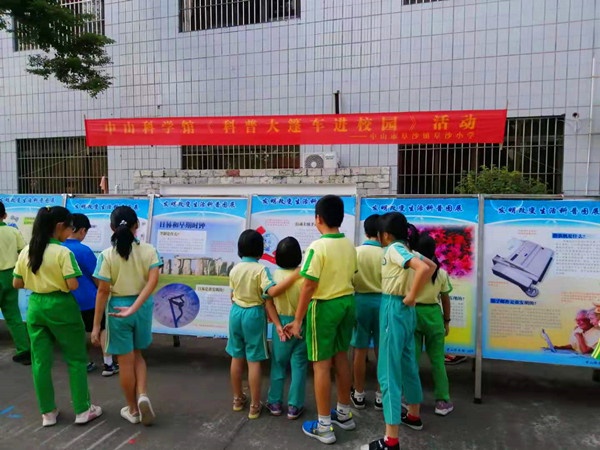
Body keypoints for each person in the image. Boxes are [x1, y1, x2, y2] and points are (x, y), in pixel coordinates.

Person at [12, 206, 102, 427]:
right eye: (69, 228)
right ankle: (82, 409)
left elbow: (17, 283)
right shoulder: (62, 252)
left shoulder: (27, 251)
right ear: (60, 226)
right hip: (61, 305)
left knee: (40, 361)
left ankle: (48, 413)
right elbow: (72, 284)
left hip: (35, 306)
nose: (70, 232)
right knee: (76, 358)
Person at [284, 195, 357, 445]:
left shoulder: (318, 246)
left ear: (318, 218)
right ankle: (344, 413)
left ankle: (324, 426)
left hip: (324, 307)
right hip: (347, 303)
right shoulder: (349, 245)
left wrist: (297, 320)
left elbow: (308, 285)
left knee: (321, 366)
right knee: (341, 357)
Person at [361, 212, 436, 450]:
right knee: (407, 363)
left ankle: (390, 440)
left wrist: (412, 295)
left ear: (385, 235)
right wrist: (412, 295)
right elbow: (431, 266)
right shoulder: (407, 249)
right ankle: (413, 414)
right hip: (405, 312)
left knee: (388, 371)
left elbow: (423, 268)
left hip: (393, 307)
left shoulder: (394, 249)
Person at [92, 206, 161, 426]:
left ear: (112, 227)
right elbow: (153, 281)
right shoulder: (149, 250)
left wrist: (96, 326)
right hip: (142, 308)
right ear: (136, 225)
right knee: (138, 355)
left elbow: (103, 291)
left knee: (125, 361)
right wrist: (136, 306)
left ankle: (132, 409)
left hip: (117, 309)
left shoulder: (106, 255)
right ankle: (143, 395)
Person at [227, 229, 299, 420]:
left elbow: (231, 296)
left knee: (236, 356)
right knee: (254, 359)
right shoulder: (261, 270)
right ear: (260, 250)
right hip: (253, 314)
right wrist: (295, 276)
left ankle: (237, 399)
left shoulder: (234, 269)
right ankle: (254, 405)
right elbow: (271, 292)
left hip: (235, 312)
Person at [63, 213, 118, 376]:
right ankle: (108, 364)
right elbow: (97, 276)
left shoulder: (58, 248)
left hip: (68, 299)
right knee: (103, 328)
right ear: (82, 230)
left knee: (75, 331)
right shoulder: (84, 250)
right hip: (89, 300)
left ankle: (83, 362)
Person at [411, 234, 454, 416]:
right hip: (434, 316)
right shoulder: (441, 273)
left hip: (413, 314)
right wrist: (447, 321)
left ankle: (410, 398)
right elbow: (445, 298)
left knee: (412, 360)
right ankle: (442, 401)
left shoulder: (412, 271)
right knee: (437, 361)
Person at [265, 237, 307, 420]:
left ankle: (274, 402)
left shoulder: (273, 277)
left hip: (281, 324)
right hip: (300, 323)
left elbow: (268, 303)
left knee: (278, 364)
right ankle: (294, 406)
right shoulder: (303, 278)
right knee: (299, 365)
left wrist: (277, 325)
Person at [350, 214, 383, 411]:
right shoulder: (387, 253)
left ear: (366, 231)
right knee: (381, 350)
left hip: (360, 302)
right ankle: (380, 396)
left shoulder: (355, 252)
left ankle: (359, 394)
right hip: (383, 303)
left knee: (359, 350)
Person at [0, 200, 30, 365]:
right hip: (10, 276)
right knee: (13, 315)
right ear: (4, 215)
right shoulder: (13, 231)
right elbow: (23, 253)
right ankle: (24, 350)